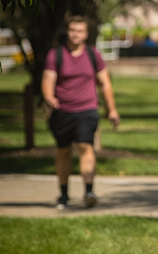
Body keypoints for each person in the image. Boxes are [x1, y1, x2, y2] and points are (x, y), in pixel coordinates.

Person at [41, 16, 120, 209]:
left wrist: (112, 110)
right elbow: (47, 79)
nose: (76, 34)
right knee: (64, 151)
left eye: (80, 31)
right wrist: (49, 96)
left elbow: (105, 83)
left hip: (87, 109)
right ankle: (64, 194)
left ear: (86, 34)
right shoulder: (56, 54)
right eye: (72, 30)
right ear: (67, 32)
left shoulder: (93, 55)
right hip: (62, 111)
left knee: (86, 147)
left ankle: (89, 191)